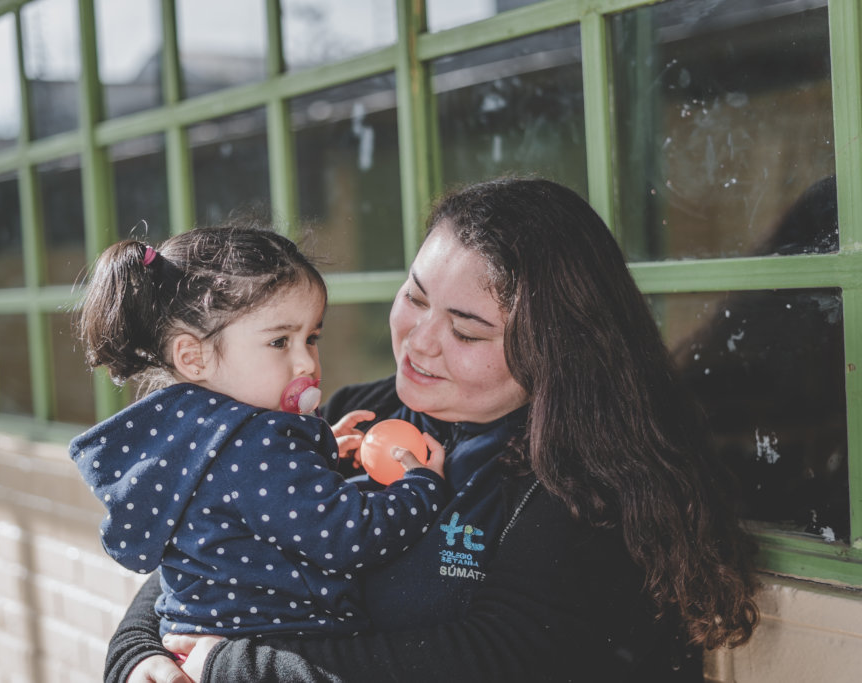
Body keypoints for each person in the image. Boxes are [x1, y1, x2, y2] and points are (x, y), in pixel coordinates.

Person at [104, 178, 759, 683]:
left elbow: (489, 657)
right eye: (414, 297)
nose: (418, 342)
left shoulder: (582, 484)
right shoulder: (356, 410)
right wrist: (140, 654)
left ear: (555, 347)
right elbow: (212, 547)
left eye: (466, 329)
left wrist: (235, 666)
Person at [69, 223, 448, 641]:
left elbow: (248, 505)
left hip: (192, 638)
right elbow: (347, 535)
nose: (306, 363)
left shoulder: (185, 432)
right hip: (277, 649)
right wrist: (420, 490)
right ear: (193, 357)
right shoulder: (259, 444)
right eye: (279, 342)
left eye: (312, 337)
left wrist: (318, 455)